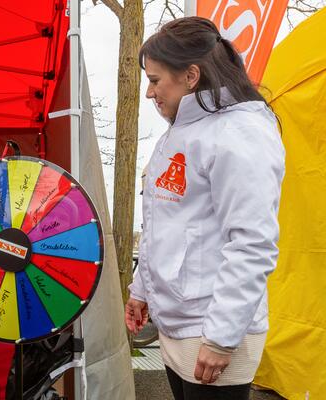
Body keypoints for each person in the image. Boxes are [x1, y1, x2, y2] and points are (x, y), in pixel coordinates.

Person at [125, 17, 285, 400]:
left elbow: (252, 243)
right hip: (177, 323)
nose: (149, 92)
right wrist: (141, 290)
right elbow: (163, 224)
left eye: (155, 79)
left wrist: (222, 338)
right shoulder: (176, 133)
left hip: (214, 329)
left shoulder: (239, 133)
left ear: (191, 75)